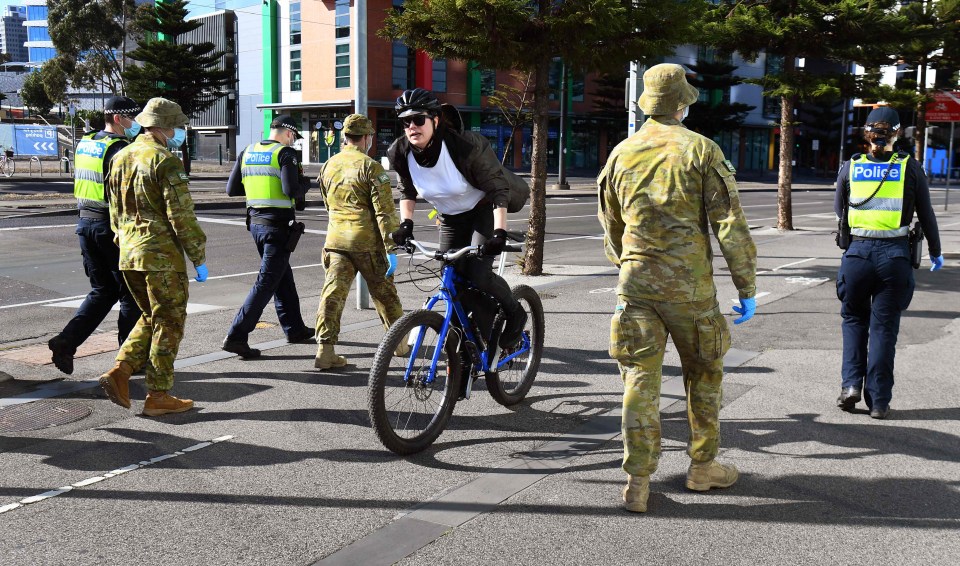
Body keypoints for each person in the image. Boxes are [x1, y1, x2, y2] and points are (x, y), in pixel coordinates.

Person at [598, 64, 758, 513]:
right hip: (690, 291)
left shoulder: (621, 153)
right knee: (704, 376)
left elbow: (611, 227)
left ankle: (637, 482)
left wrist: (630, 264)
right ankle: (702, 468)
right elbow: (729, 224)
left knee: (638, 381)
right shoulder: (702, 151)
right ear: (682, 104)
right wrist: (746, 286)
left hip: (636, 286)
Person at [387, 88, 526, 351]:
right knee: (451, 277)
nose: (412, 126)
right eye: (405, 121)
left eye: (418, 119)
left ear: (435, 120)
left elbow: (497, 189)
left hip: (482, 209)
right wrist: (406, 224)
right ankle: (474, 335)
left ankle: (515, 313)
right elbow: (406, 189)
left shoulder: (466, 146)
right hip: (451, 216)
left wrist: (499, 233)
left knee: (478, 274)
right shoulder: (401, 153)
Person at [99, 97, 208, 417]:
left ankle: (120, 371)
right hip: (160, 257)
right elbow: (182, 217)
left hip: (129, 254)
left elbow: (114, 210)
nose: (178, 132)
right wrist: (198, 256)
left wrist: (125, 242)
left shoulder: (122, 156)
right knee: (170, 323)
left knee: (150, 317)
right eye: (176, 126)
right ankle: (158, 394)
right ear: (163, 127)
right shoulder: (165, 160)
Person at [834, 106, 944, 419]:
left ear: (866, 133)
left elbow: (839, 209)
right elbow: (926, 214)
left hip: (856, 255)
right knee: (884, 329)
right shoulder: (910, 166)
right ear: (896, 133)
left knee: (854, 321)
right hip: (895, 257)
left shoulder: (851, 166)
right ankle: (879, 402)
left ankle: (851, 386)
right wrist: (935, 251)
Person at [48, 96, 143, 375]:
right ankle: (129, 360)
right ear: (118, 118)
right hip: (110, 228)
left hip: (86, 224)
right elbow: (127, 195)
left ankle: (66, 342)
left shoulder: (87, 142)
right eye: (132, 118)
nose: (136, 123)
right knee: (131, 296)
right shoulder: (119, 149)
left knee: (103, 291)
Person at [313, 114, 406, 369]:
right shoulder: (371, 167)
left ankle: (325, 349)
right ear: (366, 138)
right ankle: (399, 344)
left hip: (336, 241)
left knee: (332, 295)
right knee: (386, 295)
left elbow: (327, 204)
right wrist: (391, 247)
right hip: (366, 244)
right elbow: (385, 212)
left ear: (345, 137)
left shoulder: (328, 164)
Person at [222, 114, 314, 358]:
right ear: (288, 132)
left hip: (256, 224)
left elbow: (231, 189)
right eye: (293, 136)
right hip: (278, 227)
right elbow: (291, 190)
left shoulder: (248, 151)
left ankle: (295, 329)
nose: (293, 141)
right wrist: (306, 184)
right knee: (266, 282)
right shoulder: (285, 154)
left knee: (282, 276)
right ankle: (236, 336)